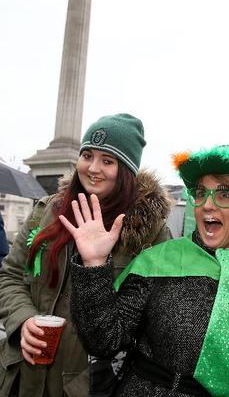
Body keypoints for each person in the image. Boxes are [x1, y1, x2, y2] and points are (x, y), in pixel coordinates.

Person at [66, 145, 229, 396]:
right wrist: (94, 264)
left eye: (224, 195)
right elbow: (103, 341)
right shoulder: (158, 261)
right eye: (201, 193)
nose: (208, 205)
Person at [0, 113, 171, 397]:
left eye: (108, 161)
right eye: (87, 155)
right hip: (22, 377)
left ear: (126, 170)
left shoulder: (150, 235)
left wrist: (96, 266)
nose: (93, 168)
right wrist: (23, 320)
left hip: (87, 386)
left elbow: (144, 323)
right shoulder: (49, 211)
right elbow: (11, 275)